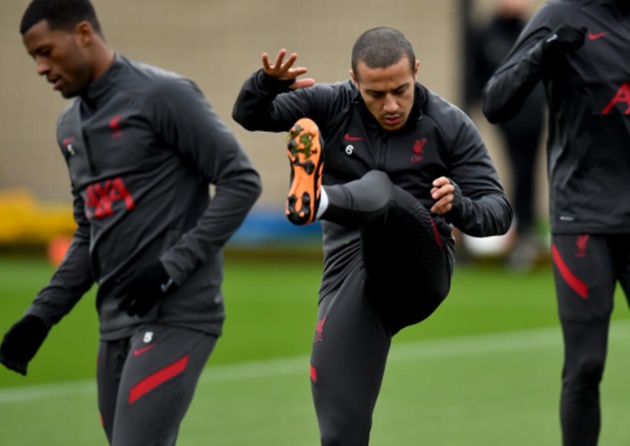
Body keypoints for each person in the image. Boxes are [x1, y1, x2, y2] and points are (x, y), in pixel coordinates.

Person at [232, 27, 512, 445]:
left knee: (381, 188)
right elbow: (250, 115)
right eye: (375, 94)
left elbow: (500, 211)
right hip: (351, 271)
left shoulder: (449, 124)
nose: (391, 104)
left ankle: (317, 201)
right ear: (354, 80)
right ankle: (317, 201)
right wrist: (265, 84)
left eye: (401, 89)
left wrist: (459, 207)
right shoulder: (331, 103)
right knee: (340, 430)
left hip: (419, 266)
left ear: (416, 71)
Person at [0, 0, 262, 444]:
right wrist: (40, 317)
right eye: (33, 58)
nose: (41, 68)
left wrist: (171, 267)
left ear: (83, 33)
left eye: (46, 51)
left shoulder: (163, 95)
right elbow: (88, 234)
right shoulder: (68, 128)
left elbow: (241, 181)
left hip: (178, 314)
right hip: (115, 320)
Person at [482, 1, 630, 444]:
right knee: (585, 365)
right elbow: (495, 102)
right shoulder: (558, 18)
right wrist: (543, 53)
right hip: (582, 214)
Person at [465, 0, 546, 270]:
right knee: (508, 172)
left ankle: (525, 235)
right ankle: (505, 232)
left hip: (533, 117)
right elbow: (477, 75)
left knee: (526, 174)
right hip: (505, 117)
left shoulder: (533, 30)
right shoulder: (487, 34)